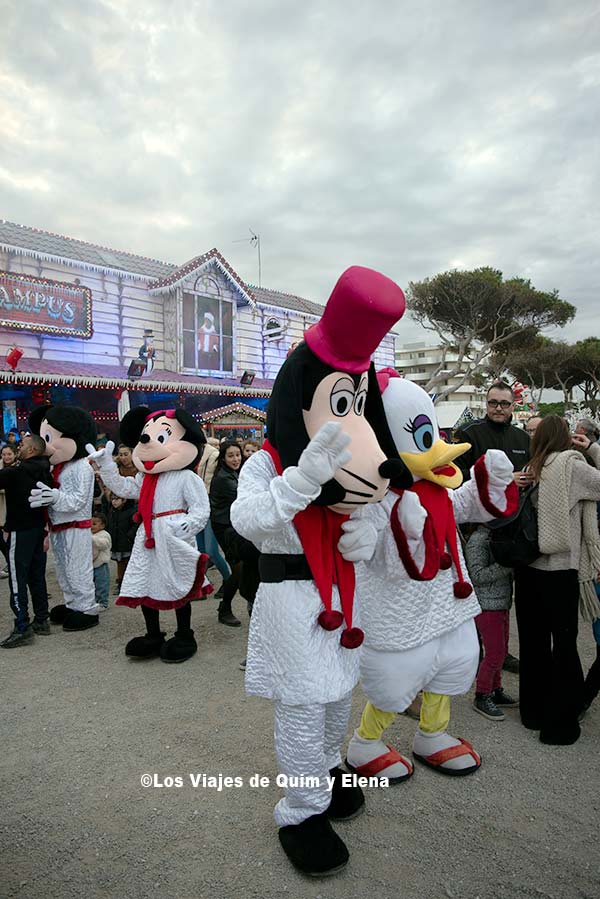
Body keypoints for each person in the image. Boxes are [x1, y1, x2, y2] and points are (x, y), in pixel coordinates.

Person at [513, 415, 600, 744]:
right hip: (560, 571)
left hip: (527, 568)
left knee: (533, 644)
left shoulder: (531, 468)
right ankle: (560, 724)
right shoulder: (572, 466)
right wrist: (592, 447)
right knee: (564, 646)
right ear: (565, 437)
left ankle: (532, 712)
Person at [456, 380, 532, 674]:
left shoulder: (522, 439)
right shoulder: (469, 434)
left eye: (504, 403)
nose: (498, 408)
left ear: (514, 406)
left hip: (513, 529)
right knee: (477, 594)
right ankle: (476, 650)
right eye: (493, 403)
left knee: (504, 596)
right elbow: (454, 473)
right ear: (485, 404)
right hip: (478, 529)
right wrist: (499, 479)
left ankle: (500, 650)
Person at [0, 434, 53, 647]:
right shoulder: (45, 470)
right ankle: (42, 619)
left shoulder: (17, 472)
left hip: (20, 530)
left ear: (31, 450)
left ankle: (22, 626)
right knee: (36, 575)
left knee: (17, 577)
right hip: (37, 528)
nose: (19, 448)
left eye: (22, 446)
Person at [465, 525, 518, 720]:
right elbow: (477, 576)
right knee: (494, 654)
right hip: (486, 606)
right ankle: (482, 694)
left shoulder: (495, 535)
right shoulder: (479, 540)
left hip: (500, 602)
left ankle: (495, 690)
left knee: (501, 652)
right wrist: (507, 563)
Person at [209, 441, 259, 627]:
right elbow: (245, 498)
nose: (236, 459)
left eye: (238, 455)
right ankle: (225, 608)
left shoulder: (235, 473)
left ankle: (233, 605)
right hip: (226, 527)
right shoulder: (224, 478)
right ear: (223, 458)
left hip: (235, 525)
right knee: (237, 569)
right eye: (231, 456)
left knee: (241, 567)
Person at [195, 437, 230, 598]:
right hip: (196, 507)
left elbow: (218, 480)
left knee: (211, 551)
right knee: (200, 551)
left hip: (210, 507)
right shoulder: (189, 456)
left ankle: (229, 580)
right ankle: (203, 586)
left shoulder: (213, 455)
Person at [104, 492, 138, 594]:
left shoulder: (131, 511)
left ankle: (131, 584)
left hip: (127, 543)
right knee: (120, 564)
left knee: (129, 563)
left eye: (117, 499)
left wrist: (129, 536)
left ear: (124, 500)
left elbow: (135, 525)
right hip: (117, 543)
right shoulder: (112, 512)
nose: (114, 502)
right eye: (112, 499)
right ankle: (121, 583)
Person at [0, 444, 18, 577]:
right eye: (4, 454)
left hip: (12, 507)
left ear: (15, 454)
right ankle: (10, 562)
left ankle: (12, 563)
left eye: (9, 454)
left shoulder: (19, 468)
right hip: (0, 507)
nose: (6, 457)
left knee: (11, 540)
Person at [91, 512, 112, 611]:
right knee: (92, 584)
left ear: (102, 525)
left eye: (94, 524)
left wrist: (92, 539)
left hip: (101, 565)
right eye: (90, 523)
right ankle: (94, 601)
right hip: (91, 565)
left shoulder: (104, 534)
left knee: (102, 584)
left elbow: (104, 544)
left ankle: (103, 602)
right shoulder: (89, 534)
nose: (91, 526)